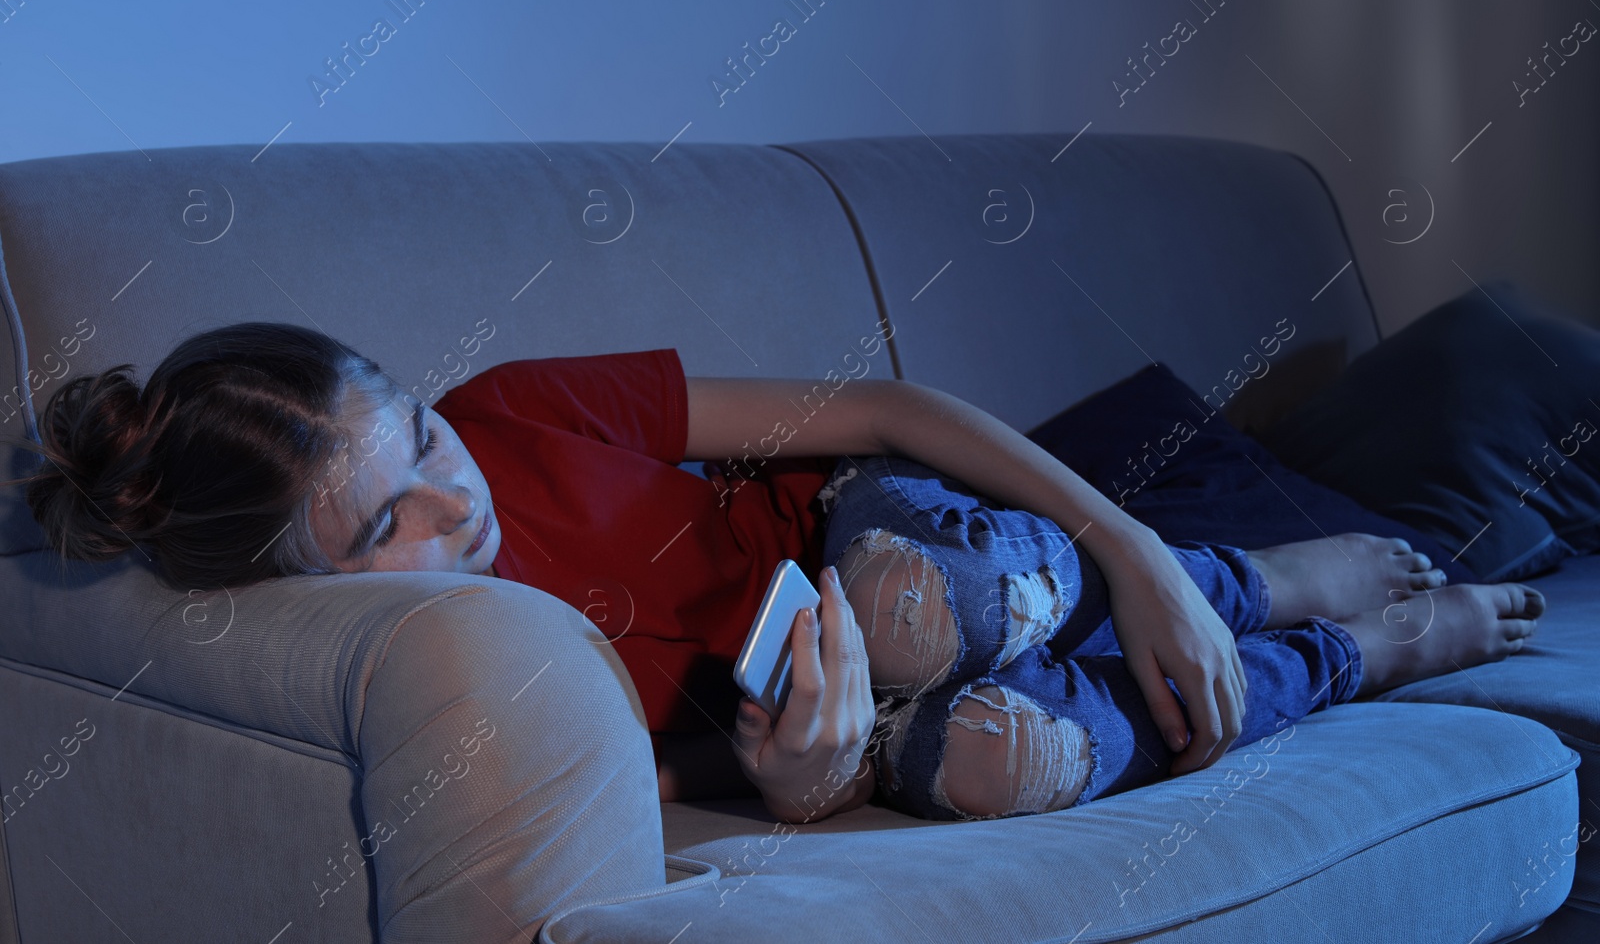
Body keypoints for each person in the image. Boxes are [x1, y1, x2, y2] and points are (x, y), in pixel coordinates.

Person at [21, 322, 1544, 824]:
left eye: (418, 437)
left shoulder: (515, 411)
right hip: (824, 698)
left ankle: (1249, 580)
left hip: (880, 546)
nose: (449, 502)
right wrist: (807, 790)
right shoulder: (456, 676)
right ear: (315, 588)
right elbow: (714, 782)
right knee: (998, 763)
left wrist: (1130, 548)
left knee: (911, 613)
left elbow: (877, 410)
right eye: (382, 530)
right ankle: (1373, 655)